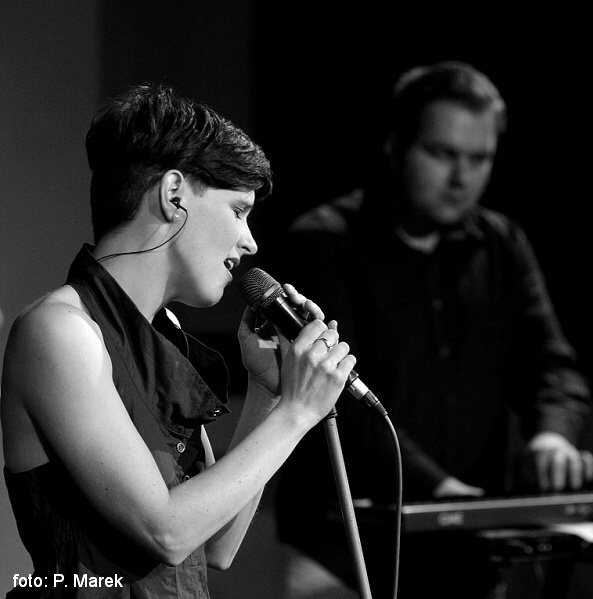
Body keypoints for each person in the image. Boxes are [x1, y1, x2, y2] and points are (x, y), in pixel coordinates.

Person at [0, 83, 357, 598]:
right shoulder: (59, 331)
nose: (250, 242)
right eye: (238, 211)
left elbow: (216, 546)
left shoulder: (162, 335)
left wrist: (267, 392)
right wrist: (297, 412)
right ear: (173, 195)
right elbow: (166, 532)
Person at [269, 61, 593, 599]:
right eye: (443, 154)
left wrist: (551, 435)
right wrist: (440, 489)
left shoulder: (502, 245)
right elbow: (337, 392)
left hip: (467, 548)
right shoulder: (325, 242)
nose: (462, 177)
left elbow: (551, 366)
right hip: (346, 548)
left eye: (479, 159)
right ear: (395, 145)